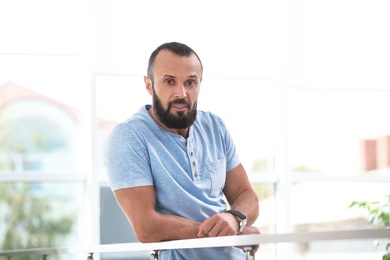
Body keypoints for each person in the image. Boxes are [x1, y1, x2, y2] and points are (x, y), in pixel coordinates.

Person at [105, 42, 260, 259]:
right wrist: (225, 234)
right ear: (149, 85)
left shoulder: (215, 126)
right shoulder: (129, 136)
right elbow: (146, 227)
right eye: (169, 82)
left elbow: (247, 195)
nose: (181, 93)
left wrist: (234, 219)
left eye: (190, 82)